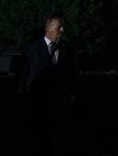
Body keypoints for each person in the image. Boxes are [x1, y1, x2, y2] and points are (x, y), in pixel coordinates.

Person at [17, 14, 78, 155]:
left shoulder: (67, 49)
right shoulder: (31, 49)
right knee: (36, 139)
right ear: (49, 29)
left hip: (58, 104)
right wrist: (21, 98)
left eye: (62, 27)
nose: (62, 30)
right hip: (36, 104)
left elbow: (72, 74)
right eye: (59, 27)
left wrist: (71, 94)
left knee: (55, 140)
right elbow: (23, 76)